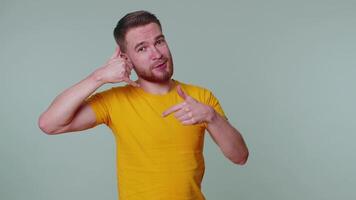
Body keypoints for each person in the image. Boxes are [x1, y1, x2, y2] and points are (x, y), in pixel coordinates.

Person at [38, 10, 249, 200]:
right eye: (142, 48)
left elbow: (240, 156)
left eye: (159, 42)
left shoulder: (199, 97)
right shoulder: (115, 101)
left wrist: (211, 116)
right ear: (125, 58)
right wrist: (98, 77)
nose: (157, 54)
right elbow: (50, 123)